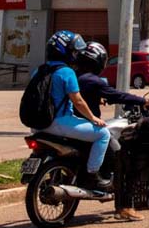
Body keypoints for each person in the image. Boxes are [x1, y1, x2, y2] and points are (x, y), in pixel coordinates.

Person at [74, 41, 149, 221]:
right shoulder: (93, 80)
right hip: (86, 128)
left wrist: (100, 99)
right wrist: (142, 101)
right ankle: (124, 208)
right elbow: (117, 95)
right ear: (98, 62)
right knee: (123, 161)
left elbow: (87, 97)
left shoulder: (74, 76)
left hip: (69, 127)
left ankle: (97, 178)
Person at [35, 31, 111, 190]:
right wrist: (93, 118)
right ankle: (92, 174)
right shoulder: (66, 72)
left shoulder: (39, 70)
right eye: (74, 51)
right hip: (59, 122)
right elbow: (77, 100)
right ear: (66, 52)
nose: (77, 54)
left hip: (37, 124)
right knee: (103, 134)